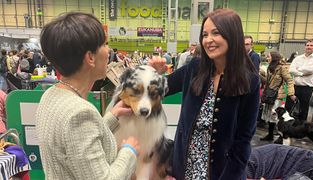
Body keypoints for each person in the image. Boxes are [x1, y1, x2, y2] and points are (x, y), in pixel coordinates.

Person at [149, 8, 260, 180]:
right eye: (204, 34)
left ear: (233, 35)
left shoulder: (249, 81)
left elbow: (243, 139)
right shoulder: (194, 68)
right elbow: (160, 89)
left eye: (216, 33)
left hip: (222, 172)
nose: (208, 40)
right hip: (184, 168)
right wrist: (154, 74)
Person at [35, 12, 140, 180]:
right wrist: (129, 150)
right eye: (105, 44)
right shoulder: (80, 113)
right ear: (90, 57)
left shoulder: (51, 95)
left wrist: (112, 117)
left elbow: (74, 145)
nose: (108, 51)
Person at [259, 51, 296, 141]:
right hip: (269, 95)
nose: (267, 58)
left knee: (276, 116)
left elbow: (289, 80)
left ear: (274, 57)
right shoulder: (270, 68)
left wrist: (291, 93)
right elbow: (267, 82)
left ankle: (281, 137)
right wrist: (258, 75)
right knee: (270, 116)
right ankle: (270, 135)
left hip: (277, 95)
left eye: (269, 56)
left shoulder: (282, 68)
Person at [285, 39, 313, 121]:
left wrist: (298, 70)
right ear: (305, 46)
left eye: (311, 45)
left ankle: (301, 132)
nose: (309, 47)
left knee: (303, 111)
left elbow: (311, 70)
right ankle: (288, 130)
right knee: (288, 108)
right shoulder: (298, 58)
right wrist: (302, 72)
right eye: (307, 45)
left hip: (307, 88)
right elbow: (291, 70)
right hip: (295, 87)